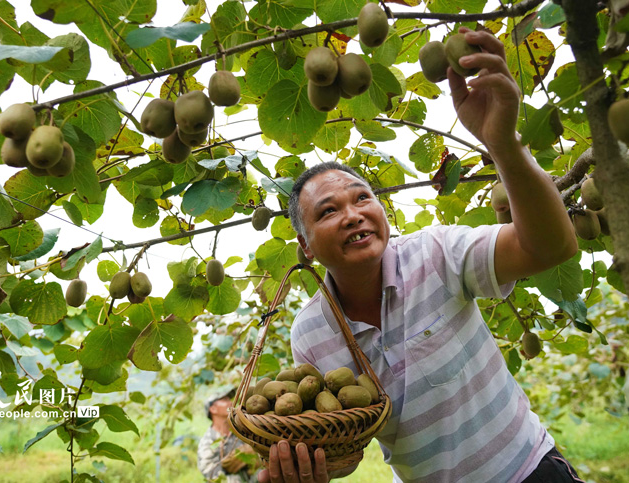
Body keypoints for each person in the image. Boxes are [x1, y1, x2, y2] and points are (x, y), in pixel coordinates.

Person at [257, 28, 585, 483]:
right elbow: (344, 435)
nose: (352, 215)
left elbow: (552, 246)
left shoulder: (436, 252)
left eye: (362, 198)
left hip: (527, 470)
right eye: (329, 211)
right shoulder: (311, 332)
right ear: (306, 248)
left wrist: (503, 143)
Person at [198, 388, 259, 482]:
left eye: (229, 399)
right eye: (224, 400)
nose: (230, 402)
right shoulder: (208, 442)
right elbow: (210, 473)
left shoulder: (241, 429)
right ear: (213, 409)